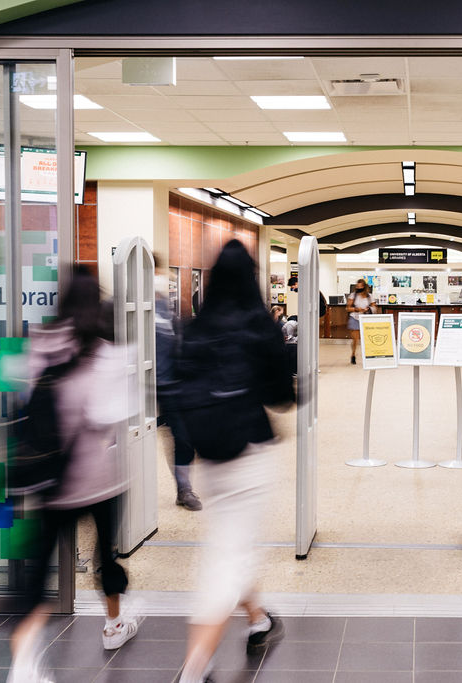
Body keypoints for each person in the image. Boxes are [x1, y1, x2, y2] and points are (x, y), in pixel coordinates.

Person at [7, 267, 139, 683]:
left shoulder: (38, 344)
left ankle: (23, 665)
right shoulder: (105, 352)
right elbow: (109, 414)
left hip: (50, 481)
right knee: (107, 555)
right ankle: (114, 625)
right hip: (99, 479)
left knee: (39, 565)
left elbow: (16, 392)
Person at [175, 240, 293, 683]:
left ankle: (258, 618)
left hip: (211, 454)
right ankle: (195, 666)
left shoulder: (197, 325)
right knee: (227, 556)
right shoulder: (259, 324)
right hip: (249, 451)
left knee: (232, 537)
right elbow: (281, 396)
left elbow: (181, 385)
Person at [155, 256, 201, 511]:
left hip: (171, 384)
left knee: (183, 438)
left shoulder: (166, 307)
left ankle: (184, 489)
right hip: (138, 384)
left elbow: (178, 340)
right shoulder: (123, 306)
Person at [346, 278, 374, 365]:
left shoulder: (369, 296)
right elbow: (347, 308)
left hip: (366, 319)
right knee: (355, 339)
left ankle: (369, 356)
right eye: (357, 287)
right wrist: (357, 309)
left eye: (361, 286)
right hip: (355, 318)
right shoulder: (353, 295)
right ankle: (353, 355)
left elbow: (374, 307)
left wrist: (368, 309)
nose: (359, 288)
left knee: (368, 339)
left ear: (364, 287)